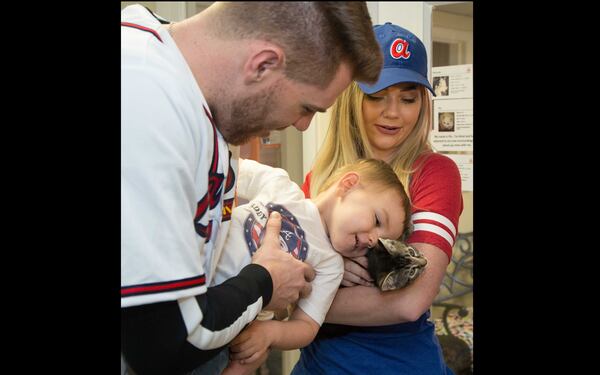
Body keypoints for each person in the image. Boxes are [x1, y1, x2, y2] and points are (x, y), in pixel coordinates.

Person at [121, 2, 383, 375]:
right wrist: (265, 281)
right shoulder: (149, 106)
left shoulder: (198, 101)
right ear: (262, 64)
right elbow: (167, 344)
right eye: (307, 107)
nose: (303, 126)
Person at [293, 23, 464, 374]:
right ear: (351, 96)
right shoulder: (323, 178)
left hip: (397, 364)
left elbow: (410, 302)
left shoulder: (434, 172)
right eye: (376, 95)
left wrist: (293, 299)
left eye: (408, 97)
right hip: (316, 363)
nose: (393, 112)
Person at [213, 157, 411, 375]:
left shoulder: (331, 266)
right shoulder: (280, 186)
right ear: (349, 184)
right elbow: (222, 164)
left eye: (380, 242)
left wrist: (270, 332)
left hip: (222, 326)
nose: (373, 241)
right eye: (376, 220)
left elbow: (307, 326)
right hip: (189, 274)